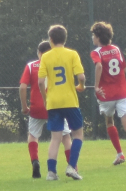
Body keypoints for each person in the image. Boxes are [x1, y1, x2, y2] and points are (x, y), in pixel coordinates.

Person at [38, 24, 85, 180]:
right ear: (65, 39)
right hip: (70, 100)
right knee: (78, 134)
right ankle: (71, 167)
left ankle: (51, 172)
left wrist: (45, 99)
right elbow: (81, 76)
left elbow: (40, 82)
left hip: (53, 101)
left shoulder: (46, 56)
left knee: (55, 138)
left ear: (51, 39)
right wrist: (81, 86)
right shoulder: (72, 54)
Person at [90, 21, 126, 165]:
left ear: (98, 37)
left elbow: (99, 66)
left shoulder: (96, 52)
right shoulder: (116, 49)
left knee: (109, 121)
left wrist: (96, 86)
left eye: (93, 35)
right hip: (122, 92)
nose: (92, 38)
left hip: (107, 94)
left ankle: (120, 154)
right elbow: (124, 68)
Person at [19, 39, 54, 179]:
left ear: (39, 52)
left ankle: (35, 161)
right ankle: (72, 165)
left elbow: (22, 87)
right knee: (64, 136)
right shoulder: (56, 64)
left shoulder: (31, 66)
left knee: (33, 135)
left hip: (36, 108)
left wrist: (24, 107)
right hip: (54, 106)